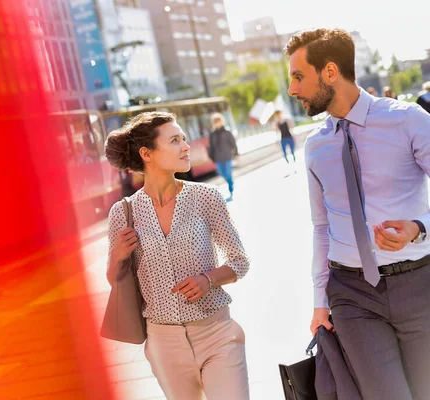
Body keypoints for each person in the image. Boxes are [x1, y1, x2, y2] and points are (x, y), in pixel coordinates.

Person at [285, 28, 430, 400]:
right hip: (351, 295)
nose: (292, 90)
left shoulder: (408, 120)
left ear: (330, 72)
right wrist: (320, 301)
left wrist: (419, 227)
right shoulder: (316, 146)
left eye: (299, 77)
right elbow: (321, 227)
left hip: (419, 284)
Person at [104, 111, 250, 400]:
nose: (186, 146)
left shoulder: (206, 197)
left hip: (217, 334)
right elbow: (114, 281)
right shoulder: (122, 213)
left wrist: (209, 279)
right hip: (163, 343)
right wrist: (117, 256)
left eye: (184, 139)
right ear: (147, 153)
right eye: (175, 140)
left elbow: (239, 261)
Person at [207, 113, 238, 200]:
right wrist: (211, 156)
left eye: (218, 121)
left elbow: (233, 143)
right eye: (215, 121)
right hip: (217, 157)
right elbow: (211, 146)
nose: (217, 123)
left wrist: (236, 153)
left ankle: (230, 187)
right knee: (221, 172)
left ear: (222, 121)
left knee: (228, 173)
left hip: (227, 156)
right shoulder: (212, 134)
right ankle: (230, 181)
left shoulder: (227, 131)